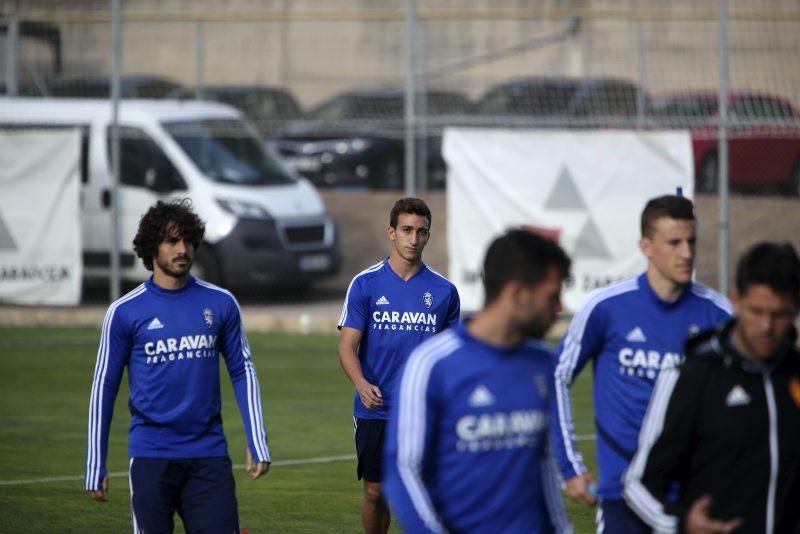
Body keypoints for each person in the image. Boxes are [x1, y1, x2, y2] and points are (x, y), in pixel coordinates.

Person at [85, 199, 270, 533]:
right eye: (171, 241)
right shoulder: (125, 312)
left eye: (187, 240)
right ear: (151, 247)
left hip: (208, 455)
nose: (182, 248)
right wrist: (96, 460)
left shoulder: (221, 303)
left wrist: (257, 439)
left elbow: (242, 370)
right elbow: (104, 387)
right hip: (151, 457)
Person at [551, 194, 732, 533]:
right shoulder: (606, 309)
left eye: (691, 241)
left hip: (697, 496)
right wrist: (571, 466)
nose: (687, 253)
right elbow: (556, 377)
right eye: (674, 242)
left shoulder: (719, 314)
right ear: (646, 246)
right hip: (623, 497)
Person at [383, 229, 573, 533]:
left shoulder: (542, 362)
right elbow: (404, 470)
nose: (560, 308)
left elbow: (542, 463)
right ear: (515, 295)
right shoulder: (432, 365)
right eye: (551, 297)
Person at [624, 242, 800, 534]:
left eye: (779, 314)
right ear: (735, 300)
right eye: (756, 311)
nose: (766, 326)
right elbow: (637, 486)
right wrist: (681, 524)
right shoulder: (694, 377)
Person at [337, 197, 460, 534]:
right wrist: (361, 384)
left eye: (421, 232)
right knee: (375, 493)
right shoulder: (365, 284)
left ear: (428, 236)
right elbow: (348, 346)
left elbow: (450, 357)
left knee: (426, 496)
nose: (413, 238)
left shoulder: (444, 291)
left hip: (422, 412)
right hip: (376, 409)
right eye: (406, 230)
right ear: (391, 232)